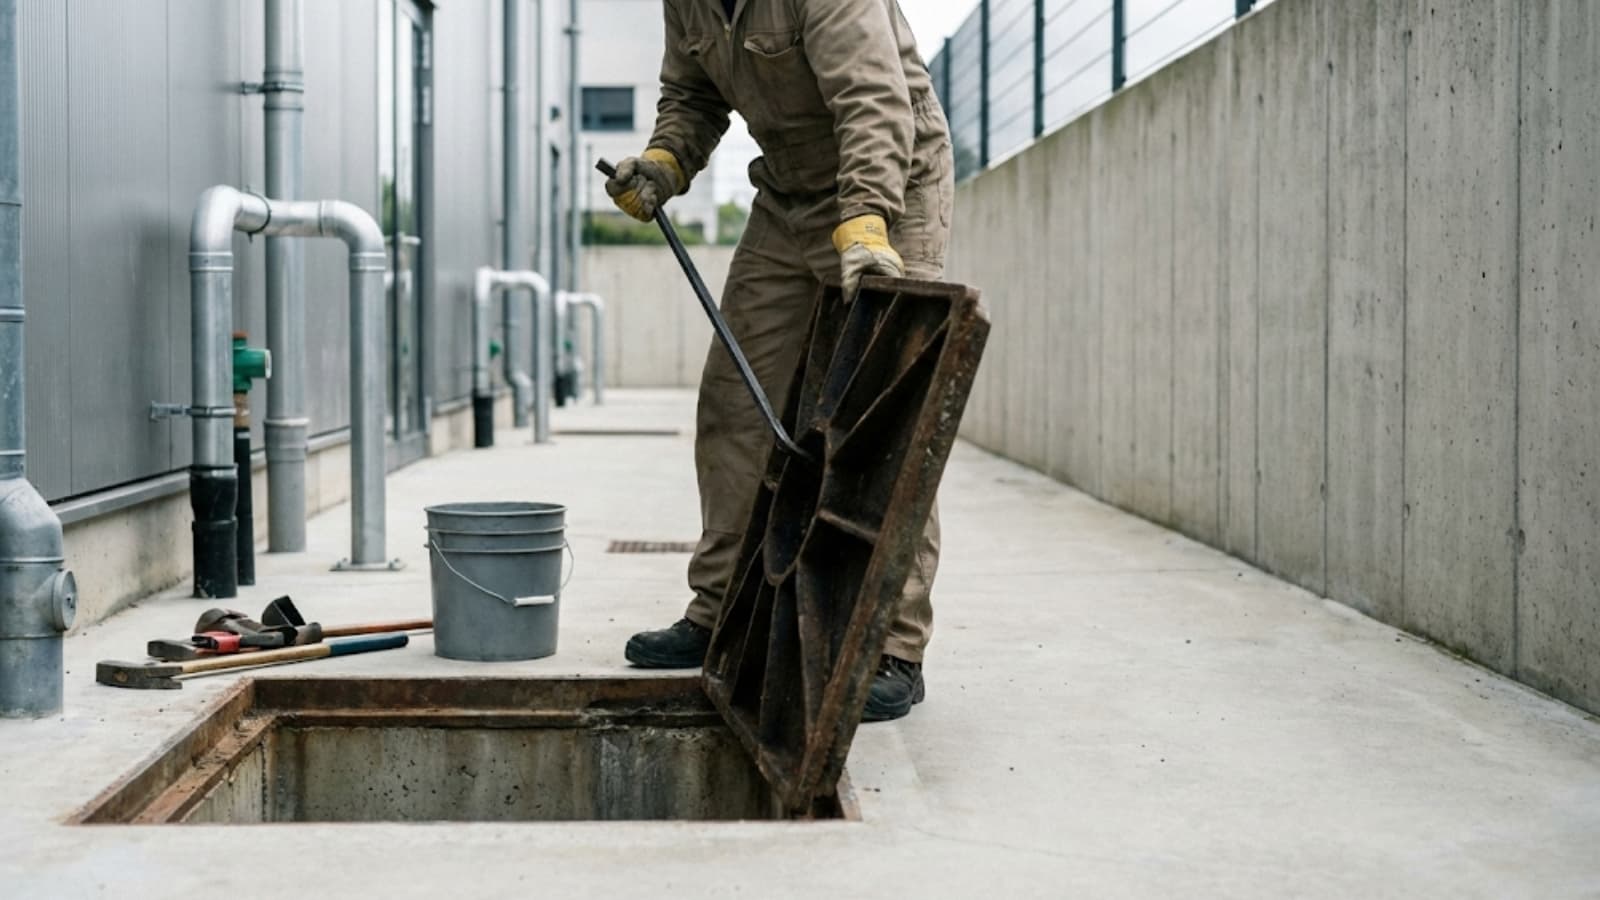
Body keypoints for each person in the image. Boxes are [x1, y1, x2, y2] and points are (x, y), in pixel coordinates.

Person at [607, 0, 953, 722]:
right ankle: (720, 613)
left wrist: (866, 216)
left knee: (883, 422)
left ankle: (893, 645)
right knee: (735, 400)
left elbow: (872, 98)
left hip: (891, 184)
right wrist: (666, 160)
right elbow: (692, 94)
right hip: (788, 197)